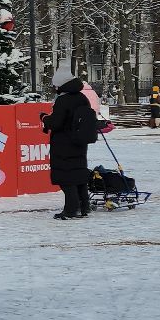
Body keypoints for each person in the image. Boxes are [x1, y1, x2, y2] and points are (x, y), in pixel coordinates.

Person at [42, 76, 97, 219]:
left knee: (66, 178)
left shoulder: (63, 100)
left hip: (63, 144)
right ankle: (84, 207)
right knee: (78, 175)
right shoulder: (82, 98)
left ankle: (71, 209)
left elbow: (56, 123)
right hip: (79, 142)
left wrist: (44, 118)